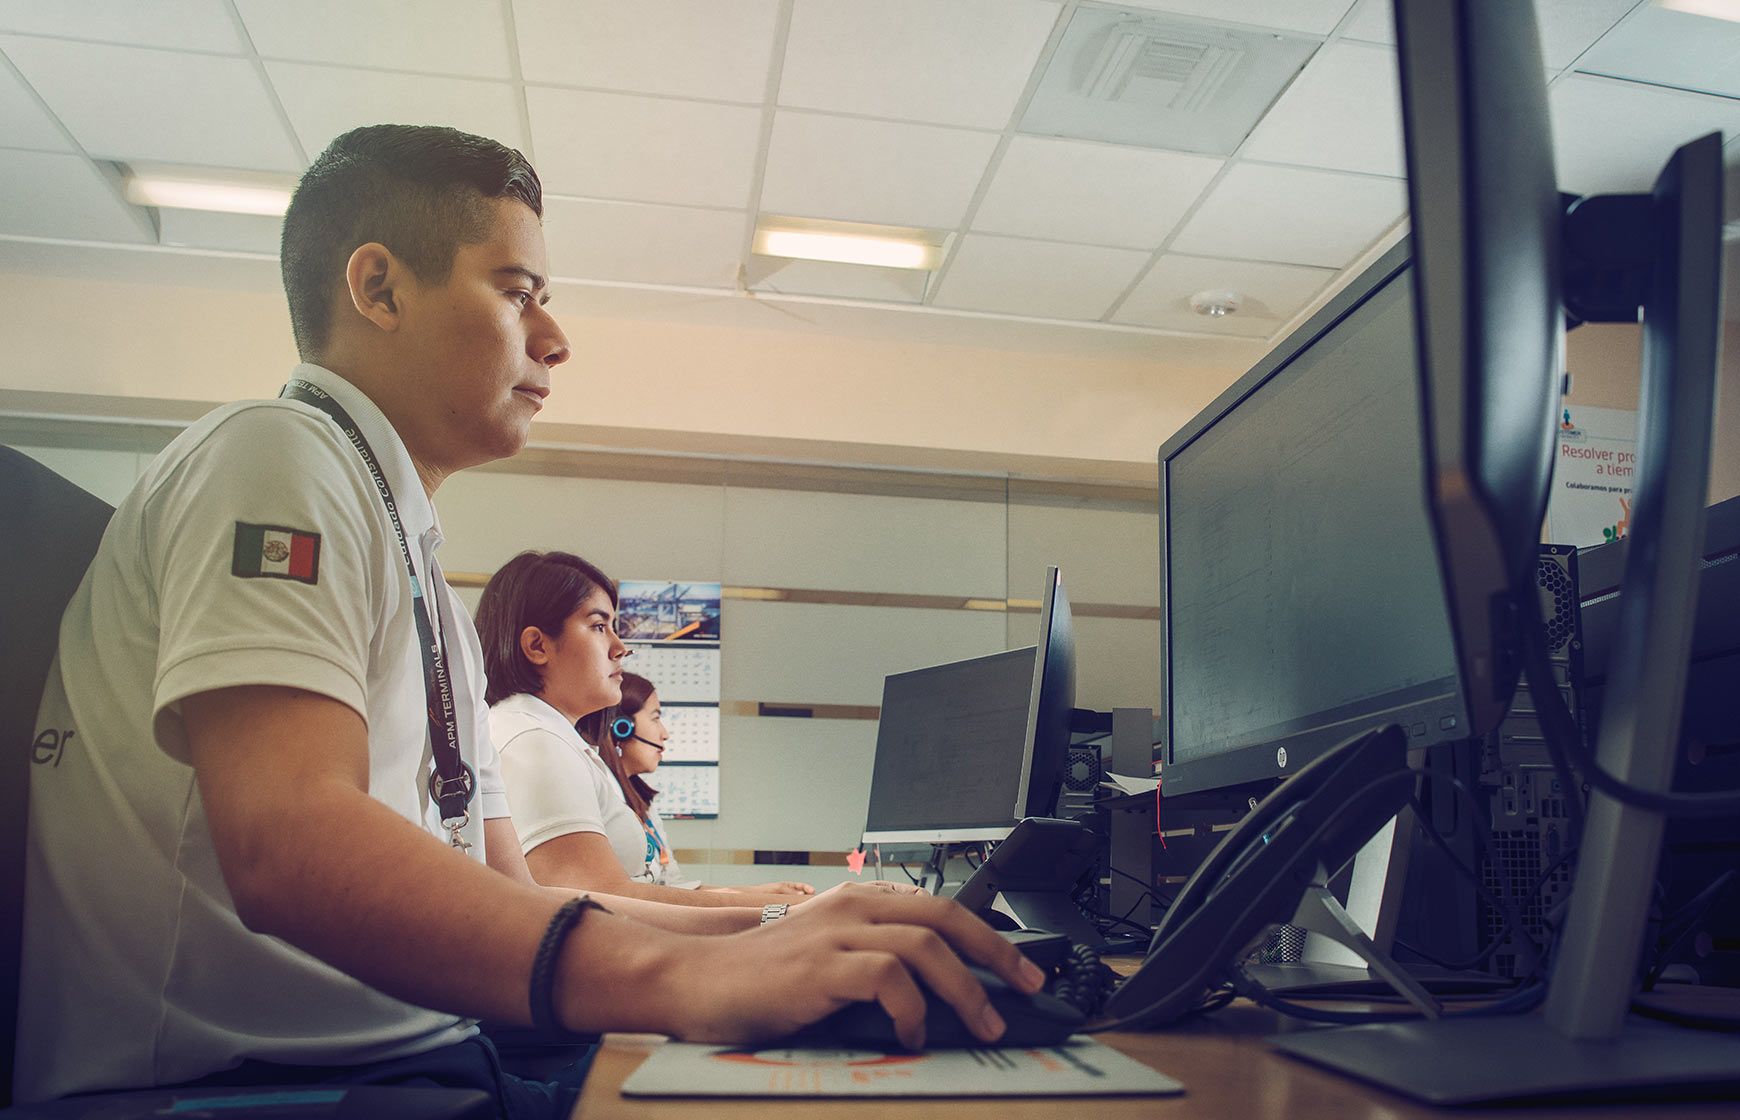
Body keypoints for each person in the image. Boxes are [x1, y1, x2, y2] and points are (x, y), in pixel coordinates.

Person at [17, 123, 1042, 1111]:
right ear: (378, 287)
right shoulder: (275, 456)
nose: (555, 338)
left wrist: (773, 931)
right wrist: (679, 977)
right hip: (257, 1090)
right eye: (518, 295)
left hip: (425, 1064)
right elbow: (288, 840)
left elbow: (516, 892)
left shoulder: (411, 556)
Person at [477, 551, 815, 906]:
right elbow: (603, 904)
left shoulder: (555, 737)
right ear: (537, 645)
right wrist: (779, 910)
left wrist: (760, 903)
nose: (620, 647)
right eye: (598, 626)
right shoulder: (533, 739)